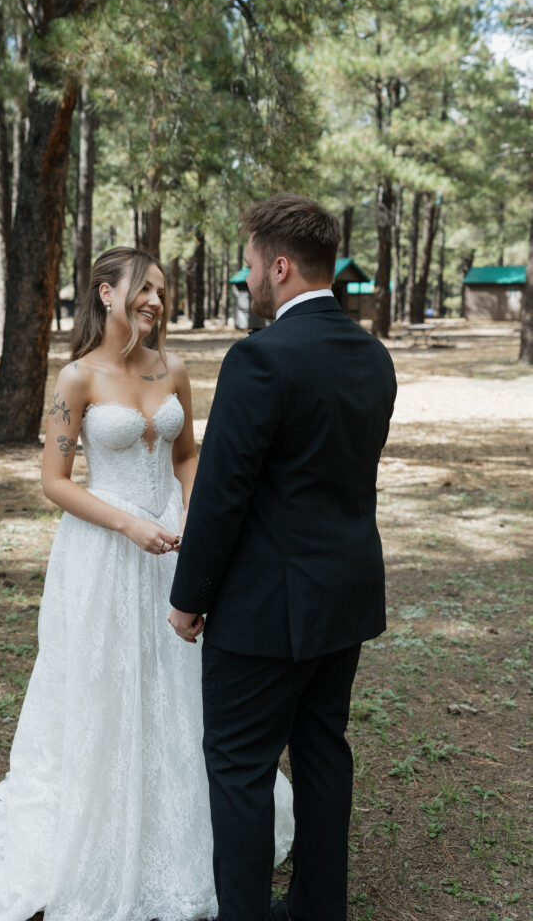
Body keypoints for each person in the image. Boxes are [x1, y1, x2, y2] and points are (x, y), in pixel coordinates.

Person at [0, 246, 293, 921]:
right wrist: (125, 525)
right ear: (105, 294)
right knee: (102, 682)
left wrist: (193, 516)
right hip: (103, 554)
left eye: (162, 293)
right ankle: (99, 826)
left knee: (175, 681)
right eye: (143, 289)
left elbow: (186, 453)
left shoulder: (175, 368)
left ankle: (179, 823)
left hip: (171, 544)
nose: (154, 301)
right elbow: (52, 482)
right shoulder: (76, 378)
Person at [168, 195, 397, 921]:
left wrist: (189, 595)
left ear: (279, 265)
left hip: (265, 607)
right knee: (323, 750)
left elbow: (221, 493)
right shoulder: (372, 354)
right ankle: (317, 909)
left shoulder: (259, 358)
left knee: (238, 767)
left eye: (248, 264)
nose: (245, 277)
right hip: (345, 595)